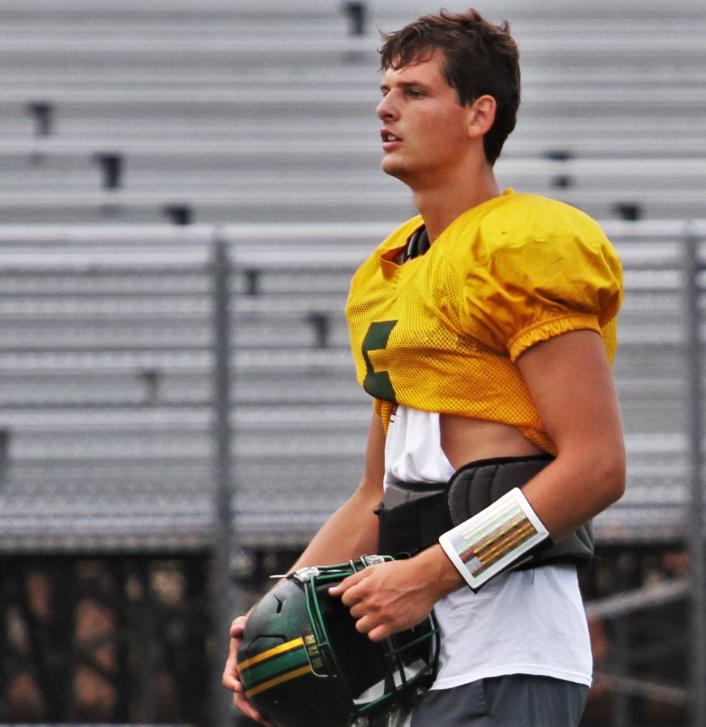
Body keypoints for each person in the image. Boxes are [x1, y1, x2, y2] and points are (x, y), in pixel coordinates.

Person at [223, 8, 626, 726]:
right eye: (385, 91)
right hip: (425, 661)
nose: (386, 108)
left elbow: (596, 466)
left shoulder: (523, 245)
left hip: (510, 647)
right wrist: (275, 607)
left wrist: (433, 572)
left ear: (479, 114)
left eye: (414, 92)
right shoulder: (393, 270)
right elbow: (376, 494)